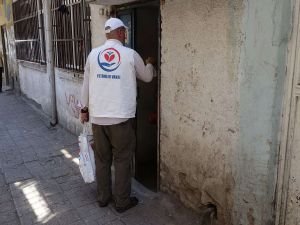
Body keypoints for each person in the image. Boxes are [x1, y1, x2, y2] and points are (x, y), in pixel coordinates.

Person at [80, 17, 155, 213]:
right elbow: (147, 77)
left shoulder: (93, 54)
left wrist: (83, 110)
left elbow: (85, 84)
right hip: (121, 119)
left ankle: (103, 198)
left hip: (98, 119)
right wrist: (149, 64)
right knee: (122, 160)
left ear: (107, 34)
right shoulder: (130, 54)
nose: (125, 34)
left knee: (102, 159)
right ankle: (122, 202)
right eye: (125, 31)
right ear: (121, 32)